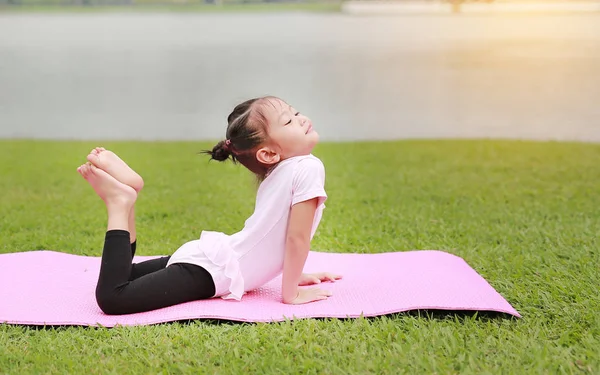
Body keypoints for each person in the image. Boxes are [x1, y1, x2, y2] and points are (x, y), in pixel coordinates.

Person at [77, 96, 342, 315]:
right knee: (113, 298)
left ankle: (129, 195)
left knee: (125, 275)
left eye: (296, 114)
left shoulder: (285, 170)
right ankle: (120, 203)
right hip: (214, 272)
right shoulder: (308, 167)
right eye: (289, 120)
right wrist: (291, 292)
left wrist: (294, 275)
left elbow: (274, 234)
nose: (302, 119)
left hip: (214, 258)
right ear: (269, 153)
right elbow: (295, 238)